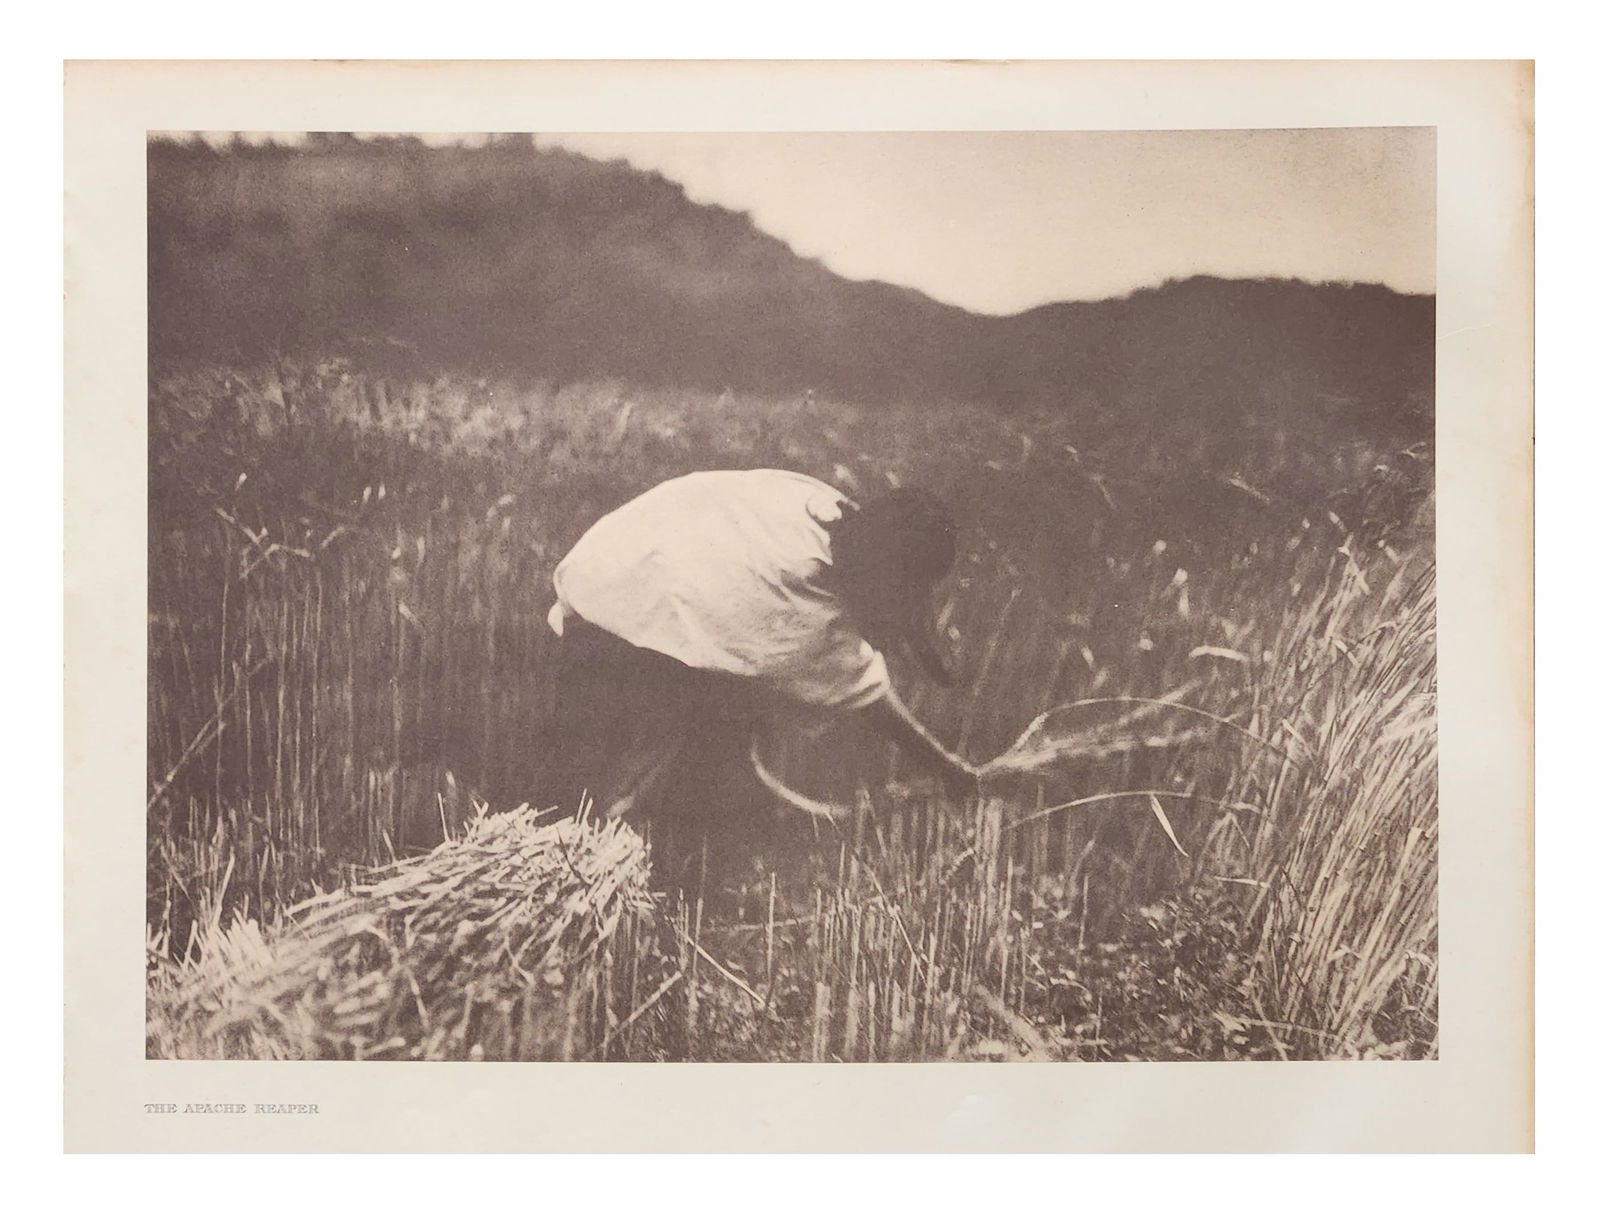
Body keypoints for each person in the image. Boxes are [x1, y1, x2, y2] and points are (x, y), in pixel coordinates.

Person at [540, 468, 979, 885]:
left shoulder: (822, 509)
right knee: (596, 798)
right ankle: (616, 874)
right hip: (622, 603)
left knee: (700, 750)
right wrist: (945, 766)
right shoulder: (793, 599)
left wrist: (944, 766)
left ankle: (659, 870)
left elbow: (860, 678)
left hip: (621, 553)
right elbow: (863, 690)